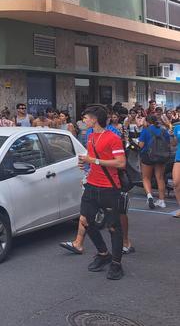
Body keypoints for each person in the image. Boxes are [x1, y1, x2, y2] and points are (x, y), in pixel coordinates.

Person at [77, 106, 127, 280]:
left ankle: (116, 264)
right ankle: (103, 253)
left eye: (86, 117)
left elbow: (121, 163)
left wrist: (94, 160)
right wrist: (85, 164)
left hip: (109, 188)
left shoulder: (113, 137)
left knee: (113, 227)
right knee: (85, 221)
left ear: (95, 119)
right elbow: (92, 160)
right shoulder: (90, 136)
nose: (84, 120)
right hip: (91, 185)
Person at [138, 115, 171, 209]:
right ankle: (162, 201)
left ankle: (149, 196)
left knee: (146, 178)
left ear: (148, 121)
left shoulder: (146, 130)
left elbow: (141, 145)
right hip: (161, 156)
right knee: (160, 178)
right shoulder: (164, 130)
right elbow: (168, 143)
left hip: (147, 156)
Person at [172, 120, 180, 218]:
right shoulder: (177, 127)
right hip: (178, 158)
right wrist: (171, 135)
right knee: (176, 183)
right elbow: (174, 144)